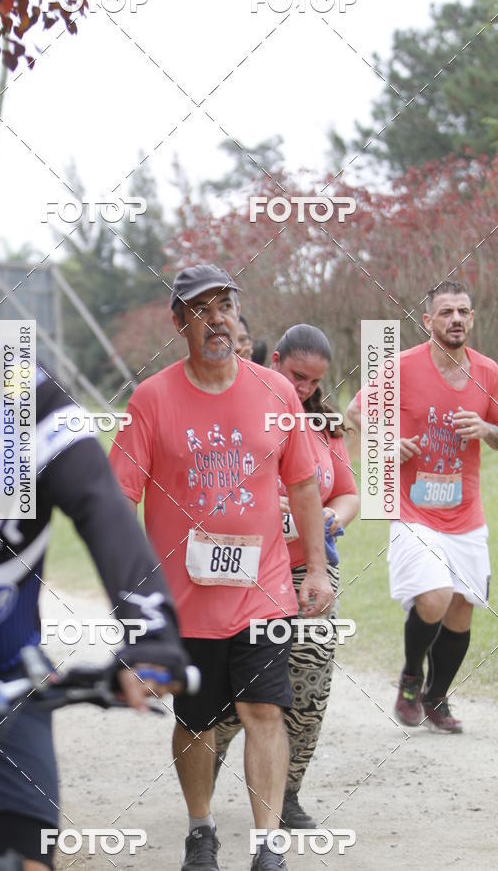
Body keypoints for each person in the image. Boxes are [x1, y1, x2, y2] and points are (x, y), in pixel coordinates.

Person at [0, 231, 189, 870]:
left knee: (28, 862)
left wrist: (151, 630)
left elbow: (101, 507)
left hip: (6, 670)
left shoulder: (20, 398)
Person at [109, 265, 333, 871]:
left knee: (266, 711)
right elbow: (113, 499)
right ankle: (200, 829)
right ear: (179, 322)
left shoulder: (277, 391)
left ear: (239, 315)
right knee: (198, 720)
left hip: (261, 594)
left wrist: (315, 568)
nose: (217, 319)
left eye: (226, 305)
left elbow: (305, 484)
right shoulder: (151, 399)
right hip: (185, 601)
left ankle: (266, 845)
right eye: (201, 309)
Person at [214, 324, 359, 828]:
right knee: (243, 690)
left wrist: (327, 519)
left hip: (308, 569)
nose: (304, 389)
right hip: (245, 568)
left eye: (314, 382)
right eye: (297, 376)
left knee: (310, 686)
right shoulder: (235, 407)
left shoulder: (323, 422)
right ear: (273, 359)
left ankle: (288, 792)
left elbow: (346, 491)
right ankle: (205, 760)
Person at [346, 281, 498, 732]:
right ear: (427, 321)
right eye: (446, 311)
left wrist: (487, 428)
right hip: (413, 510)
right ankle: (412, 676)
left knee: (462, 608)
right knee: (434, 597)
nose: (455, 319)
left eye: (463, 312)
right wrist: (388, 443)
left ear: (472, 320)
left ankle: (436, 698)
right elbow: (355, 415)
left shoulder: (487, 372)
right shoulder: (400, 367)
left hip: (466, 512)